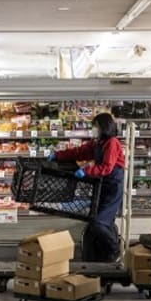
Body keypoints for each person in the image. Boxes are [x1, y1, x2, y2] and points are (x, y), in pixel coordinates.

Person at [49, 113, 126, 263]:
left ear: (104, 127)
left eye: (96, 126)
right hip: (102, 185)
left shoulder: (112, 143)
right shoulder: (97, 142)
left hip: (113, 188)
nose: (94, 129)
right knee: (101, 222)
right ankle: (101, 259)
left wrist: (85, 171)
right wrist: (58, 155)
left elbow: (106, 167)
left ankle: (115, 249)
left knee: (98, 223)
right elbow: (79, 152)